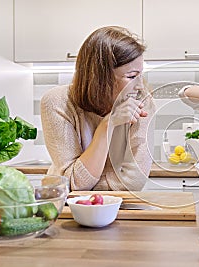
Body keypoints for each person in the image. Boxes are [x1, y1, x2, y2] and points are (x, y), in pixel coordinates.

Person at [41, 26, 155, 191]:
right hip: (66, 206)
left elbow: (133, 182)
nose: (139, 85)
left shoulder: (144, 101)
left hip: (120, 205)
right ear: (100, 78)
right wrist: (106, 127)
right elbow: (73, 182)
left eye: (140, 75)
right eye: (131, 76)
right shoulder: (56, 102)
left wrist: (84, 184)